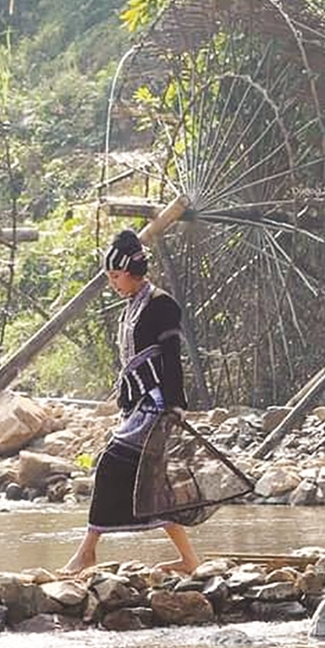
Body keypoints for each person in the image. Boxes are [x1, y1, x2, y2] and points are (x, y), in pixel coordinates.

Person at [60, 229, 201, 575]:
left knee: (110, 466)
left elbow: (171, 357)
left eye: (115, 276)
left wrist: (174, 405)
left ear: (132, 273)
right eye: (110, 277)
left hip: (155, 406)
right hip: (137, 407)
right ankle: (189, 560)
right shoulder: (131, 307)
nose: (113, 283)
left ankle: (87, 551)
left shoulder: (161, 305)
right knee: (151, 484)